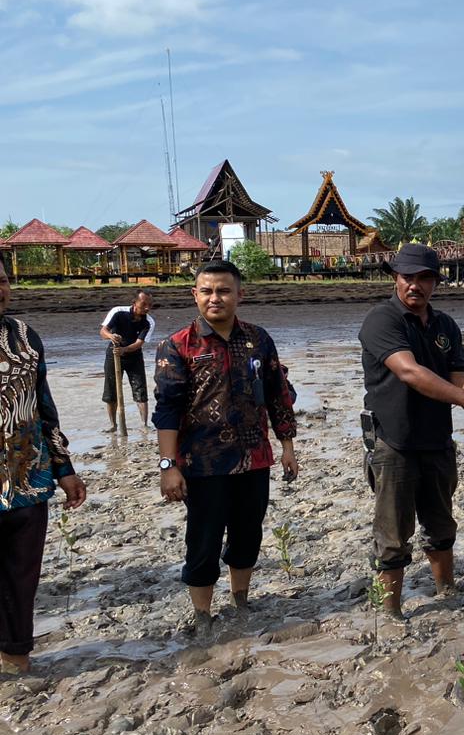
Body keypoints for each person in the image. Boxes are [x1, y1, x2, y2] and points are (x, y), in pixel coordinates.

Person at [359, 243, 464, 619]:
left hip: (437, 441)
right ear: (395, 277)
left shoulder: (445, 326)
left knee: (441, 523)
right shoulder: (382, 321)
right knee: (393, 535)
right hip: (393, 442)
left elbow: (459, 377)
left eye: (425, 278)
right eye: (408, 277)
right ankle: (390, 611)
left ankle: (446, 589)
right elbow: (410, 372)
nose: (416, 285)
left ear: (436, 282)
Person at [153, 260, 298, 636]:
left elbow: (278, 394)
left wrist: (287, 445)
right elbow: (166, 410)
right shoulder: (177, 346)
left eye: (223, 290)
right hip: (202, 463)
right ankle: (203, 614)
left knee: (248, 533)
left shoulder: (258, 339)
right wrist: (169, 465)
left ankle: (241, 600)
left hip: (254, 458)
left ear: (239, 295)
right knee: (204, 538)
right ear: (195, 295)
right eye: (207, 291)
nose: (215, 298)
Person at [0, 263, 87, 675]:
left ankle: (16, 658)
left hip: (26, 481)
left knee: (22, 577)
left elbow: (44, 406)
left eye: (1, 281)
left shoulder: (24, 335)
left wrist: (63, 467)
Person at [100, 291, 156, 431]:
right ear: (134, 303)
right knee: (110, 390)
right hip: (113, 354)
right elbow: (103, 331)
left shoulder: (148, 322)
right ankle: (113, 425)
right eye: (144, 304)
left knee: (140, 389)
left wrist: (124, 350)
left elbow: (139, 343)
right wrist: (111, 336)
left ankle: (144, 424)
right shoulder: (118, 312)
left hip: (134, 356)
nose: (147, 308)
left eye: (149, 305)